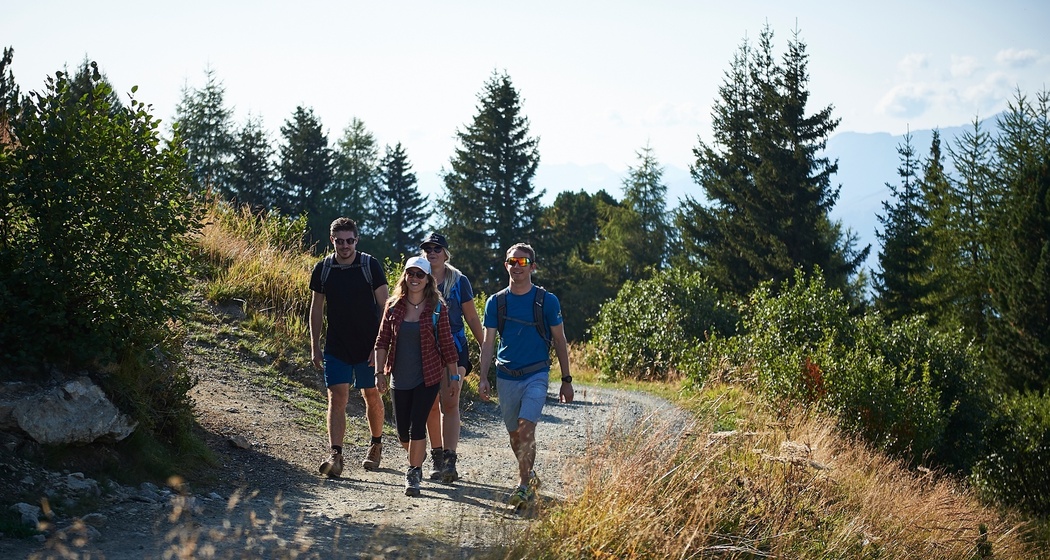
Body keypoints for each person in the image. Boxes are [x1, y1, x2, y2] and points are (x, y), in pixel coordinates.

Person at [477, 243, 574, 508]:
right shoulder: (496, 302)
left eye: (522, 262)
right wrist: (483, 377)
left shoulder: (547, 301)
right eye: (512, 261)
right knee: (514, 436)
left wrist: (566, 380)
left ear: (533, 266)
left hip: (536, 374)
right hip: (506, 375)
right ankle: (529, 475)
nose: (516, 266)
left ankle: (522, 486)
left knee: (526, 427)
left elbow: (559, 340)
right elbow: (488, 343)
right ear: (505, 264)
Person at [373, 256, 459, 496]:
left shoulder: (437, 308)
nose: (414, 278)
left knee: (417, 425)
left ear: (428, 279)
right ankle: (418, 459)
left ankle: (413, 473)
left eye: (420, 275)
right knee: (402, 432)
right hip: (399, 378)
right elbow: (382, 342)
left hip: (428, 376)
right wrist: (379, 372)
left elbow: (447, 344)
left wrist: (453, 377)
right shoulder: (393, 306)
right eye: (410, 274)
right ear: (405, 276)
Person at [310, 217, 388, 478]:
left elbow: (384, 307)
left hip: (368, 345)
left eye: (350, 241)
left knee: (371, 394)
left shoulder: (370, 266)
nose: (345, 246)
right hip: (336, 345)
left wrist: (379, 346)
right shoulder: (323, 269)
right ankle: (336, 454)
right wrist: (314, 345)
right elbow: (317, 308)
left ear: (357, 239)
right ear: (332, 240)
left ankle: (376, 444)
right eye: (340, 241)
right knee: (337, 397)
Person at [419, 232, 484, 483]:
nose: (432, 252)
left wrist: (484, 347)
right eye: (427, 248)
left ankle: (450, 458)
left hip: (455, 348)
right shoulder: (417, 276)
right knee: (429, 405)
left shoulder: (459, 281)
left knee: (450, 402)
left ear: (446, 253)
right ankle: (436, 455)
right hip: (424, 349)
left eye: (437, 248)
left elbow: (471, 317)